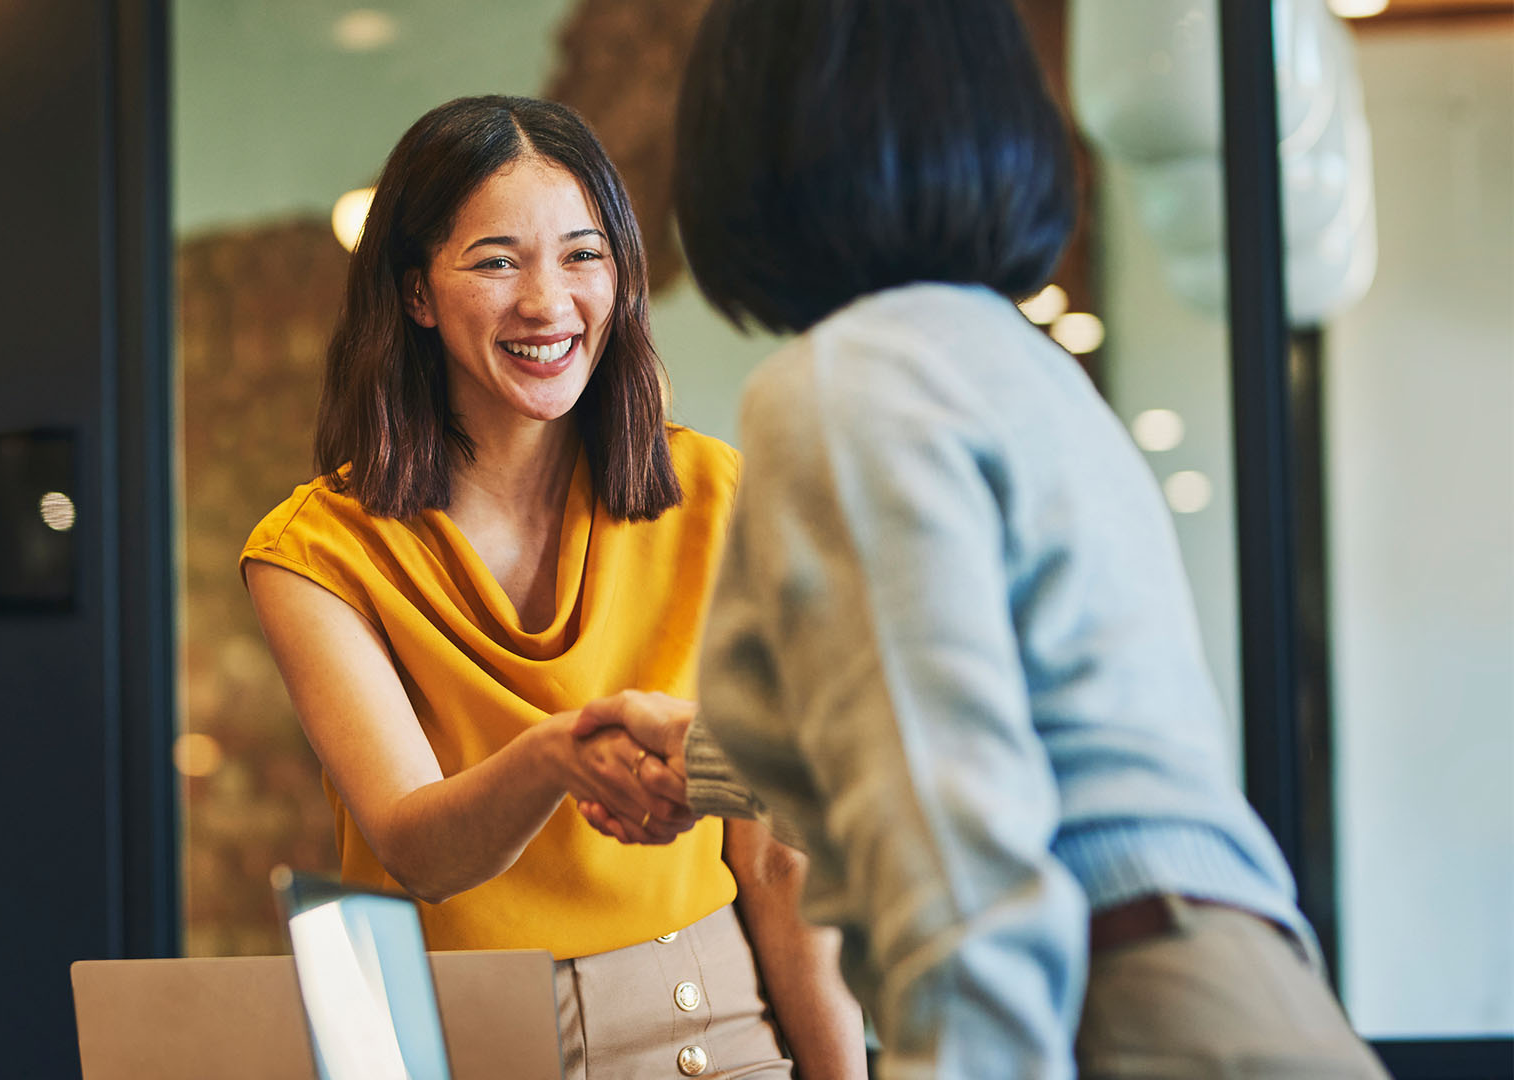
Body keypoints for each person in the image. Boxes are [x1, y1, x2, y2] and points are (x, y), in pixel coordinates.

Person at [569, 2, 1392, 1078]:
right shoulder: (1014, 363)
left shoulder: (848, 386)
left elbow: (957, 866)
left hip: (1117, 1008)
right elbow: (1017, 736)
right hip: (1224, 985)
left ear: (756, 136)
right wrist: (708, 760)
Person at [240, 95, 866, 1078]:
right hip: (448, 1042)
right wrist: (561, 756)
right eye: (496, 261)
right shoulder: (313, 553)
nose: (547, 301)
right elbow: (420, 851)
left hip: (713, 1033)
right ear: (415, 293)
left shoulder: (717, 495)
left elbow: (779, 856)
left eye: (584, 255)